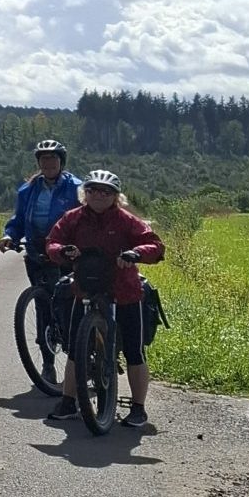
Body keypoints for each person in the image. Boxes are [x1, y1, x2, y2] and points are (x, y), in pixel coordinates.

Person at [44, 170, 164, 428]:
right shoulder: (73, 218)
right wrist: (62, 252)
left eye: (105, 192)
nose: (98, 195)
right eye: (92, 190)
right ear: (83, 193)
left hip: (125, 291)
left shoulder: (126, 221)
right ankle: (68, 402)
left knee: (134, 351)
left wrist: (135, 253)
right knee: (76, 350)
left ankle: (138, 408)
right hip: (85, 288)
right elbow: (53, 241)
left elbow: (153, 244)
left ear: (115, 196)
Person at [0, 138, 82, 382]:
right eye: (44, 159)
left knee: (69, 301)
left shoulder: (76, 187)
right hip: (36, 250)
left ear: (61, 162)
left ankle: (80, 352)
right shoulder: (28, 190)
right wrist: (9, 236)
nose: (48, 163)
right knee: (43, 304)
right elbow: (19, 219)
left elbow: (85, 219)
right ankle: (47, 363)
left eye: (53, 158)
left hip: (65, 251)